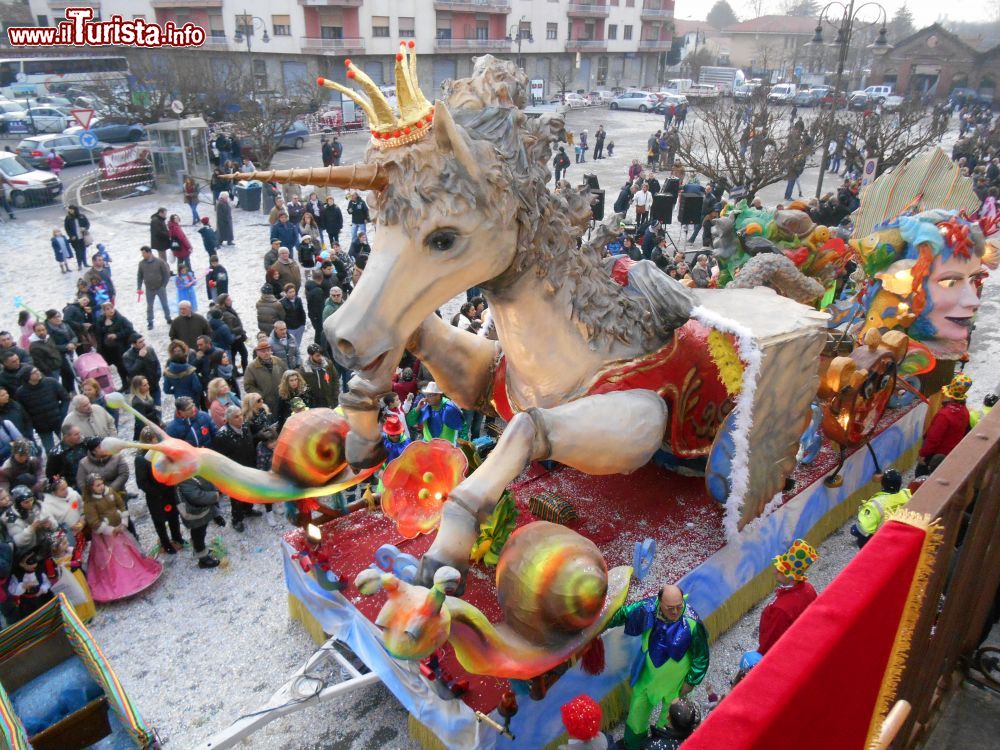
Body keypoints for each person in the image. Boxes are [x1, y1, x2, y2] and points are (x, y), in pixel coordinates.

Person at [607, 583, 709, 750]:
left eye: (679, 606)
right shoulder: (647, 609)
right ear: (659, 602)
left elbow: (702, 656)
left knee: (668, 723)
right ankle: (633, 745)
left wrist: (690, 682)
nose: (676, 612)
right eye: (670, 608)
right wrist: (597, 624)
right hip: (647, 679)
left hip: (676, 685)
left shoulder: (692, 621)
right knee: (636, 715)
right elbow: (623, 614)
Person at [82, 473, 162, 602]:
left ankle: (136, 576)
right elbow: (94, 522)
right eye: (97, 486)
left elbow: (121, 505)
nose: (101, 487)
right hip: (105, 536)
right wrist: (110, 530)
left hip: (119, 529)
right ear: (91, 488)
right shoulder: (89, 503)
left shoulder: (110, 492)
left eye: (101, 483)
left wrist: (124, 522)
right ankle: (121, 583)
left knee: (128, 552)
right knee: (113, 559)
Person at [211, 405, 271, 530]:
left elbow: (250, 443)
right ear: (228, 419)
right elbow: (218, 457)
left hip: (248, 467)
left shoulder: (245, 426)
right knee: (237, 497)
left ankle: (248, 510)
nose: (240, 418)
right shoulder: (222, 436)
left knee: (249, 491)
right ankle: (237, 519)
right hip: (234, 472)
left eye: (241, 415)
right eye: (236, 417)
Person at [134, 427, 185, 555]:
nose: (154, 443)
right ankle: (166, 543)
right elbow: (141, 482)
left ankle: (177, 537)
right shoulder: (141, 459)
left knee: (174, 516)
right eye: (151, 441)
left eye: (155, 440)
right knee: (160, 521)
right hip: (156, 496)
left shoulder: (163, 452)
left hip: (169, 490)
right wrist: (157, 492)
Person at [917, 373, 972, 476]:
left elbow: (933, 438)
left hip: (934, 456)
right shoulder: (964, 411)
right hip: (949, 455)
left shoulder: (944, 415)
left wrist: (923, 454)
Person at [850, 470, 911, 548]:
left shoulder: (875, 504)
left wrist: (854, 528)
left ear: (883, 484)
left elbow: (861, 531)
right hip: (902, 536)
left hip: (883, 543)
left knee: (862, 539)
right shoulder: (907, 494)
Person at [175, 474, 222, 569]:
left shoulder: (192, 471)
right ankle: (202, 558)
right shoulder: (182, 476)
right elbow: (196, 497)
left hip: (201, 509)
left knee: (201, 531)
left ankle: (200, 548)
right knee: (198, 533)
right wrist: (216, 495)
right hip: (194, 513)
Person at [7, 546, 54, 621]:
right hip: (26, 603)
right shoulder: (17, 576)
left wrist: (42, 589)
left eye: (35, 560)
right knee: (31, 619)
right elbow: (12, 590)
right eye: (30, 562)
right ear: (21, 564)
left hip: (41, 599)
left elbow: (47, 583)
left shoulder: (39, 572)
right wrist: (23, 586)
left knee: (46, 616)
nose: (34, 564)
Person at [94, 301, 134, 387]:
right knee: (118, 367)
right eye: (108, 309)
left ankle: (131, 384)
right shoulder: (100, 320)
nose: (111, 310)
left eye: (111, 308)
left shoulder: (121, 319)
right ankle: (124, 384)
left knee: (123, 367)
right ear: (104, 311)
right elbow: (98, 334)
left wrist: (117, 335)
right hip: (107, 350)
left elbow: (129, 329)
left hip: (120, 348)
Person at [243, 340, 287, 415]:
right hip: (266, 402)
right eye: (263, 351)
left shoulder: (278, 361)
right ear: (257, 353)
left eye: (268, 350)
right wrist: (261, 395)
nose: (266, 353)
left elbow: (286, 375)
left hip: (282, 398)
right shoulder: (251, 368)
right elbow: (248, 386)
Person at [136, 246, 173, 331]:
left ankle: (168, 318)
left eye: (144, 253)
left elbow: (166, 274)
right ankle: (150, 321)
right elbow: (139, 276)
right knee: (149, 306)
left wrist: (163, 285)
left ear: (149, 252)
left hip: (160, 287)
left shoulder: (159, 262)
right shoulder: (141, 263)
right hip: (149, 288)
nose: (143, 255)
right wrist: (139, 287)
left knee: (165, 304)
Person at [215, 293, 248, 373]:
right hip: (235, 339)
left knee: (234, 356)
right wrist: (240, 329)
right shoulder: (226, 314)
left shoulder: (228, 309)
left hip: (236, 338)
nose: (231, 301)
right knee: (243, 354)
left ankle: (236, 372)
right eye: (228, 300)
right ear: (223, 302)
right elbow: (229, 329)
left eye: (230, 299)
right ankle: (244, 371)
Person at [298, 344, 338, 409]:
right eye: (317, 356)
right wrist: (308, 397)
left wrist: (335, 395)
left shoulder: (327, 364)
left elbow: (335, 378)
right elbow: (302, 385)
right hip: (314, 401)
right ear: (310, 356)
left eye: (321, 355)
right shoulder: (304, 369)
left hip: (328, 399)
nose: (320, 357)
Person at [129, 376, 161, 440]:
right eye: (145, 385)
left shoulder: (145, 395)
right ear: (138, 388)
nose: (148, 386)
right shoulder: (137, 402)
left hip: (154, 426)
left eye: (147, 384)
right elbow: (141, 421)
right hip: (149, 431)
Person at [64, 205, 90, 270]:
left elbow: (87, 224)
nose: (70, 211)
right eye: (69, 210)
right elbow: (67, 228)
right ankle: (79, 265)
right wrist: (71, 236)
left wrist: (85, 228)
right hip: (74, 239)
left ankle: (85, 263)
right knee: (78, 251)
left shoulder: (82, 216)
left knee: (83, 250)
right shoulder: (68, 218)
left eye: (71, 209)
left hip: (83, 236)